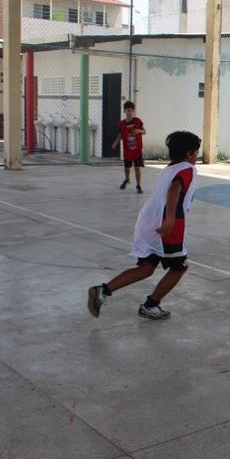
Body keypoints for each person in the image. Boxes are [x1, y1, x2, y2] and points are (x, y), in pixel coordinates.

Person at [88, 130, 201, 321]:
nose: (197, 156)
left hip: (148, 221)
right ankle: (151, 305)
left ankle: (102, 291)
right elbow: (175, 190)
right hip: (166, 224)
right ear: (189, 153)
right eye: (196, 152)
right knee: (180, 267)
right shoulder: (187, 169)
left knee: (147, 267)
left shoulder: (169, 168)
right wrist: (170, 219)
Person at [112, 101, 146, 194]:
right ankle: (127, 179)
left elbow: (144, 131)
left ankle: (138, 185)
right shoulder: (121, 124)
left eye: (131, 110)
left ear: (133, 111)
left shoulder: (138, 121)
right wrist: (115, 143)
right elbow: (120, 135)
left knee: (137, 168)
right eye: (128, 110)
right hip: (127, 150)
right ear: (124, 111)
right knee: (127, 167)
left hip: (137, 150)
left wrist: (139, 130)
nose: (129, 112)